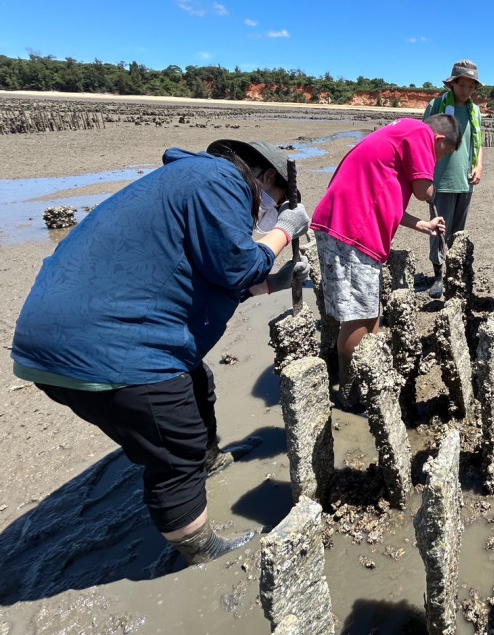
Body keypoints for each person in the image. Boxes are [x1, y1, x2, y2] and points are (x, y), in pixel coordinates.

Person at [10, 140, 312, 564]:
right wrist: (283, 232)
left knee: (196, 380)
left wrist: (272, 284)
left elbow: (197, 275)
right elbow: (235, 266)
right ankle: (197, 548)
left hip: (63, 332)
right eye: (275, 202)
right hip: (100, 344)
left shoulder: (190, 180)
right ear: (264, 178)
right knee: (176, 445)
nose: (268, 212)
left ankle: (210, 462)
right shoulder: (221, 181)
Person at [310, 115, 460, 381]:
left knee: (367, 312)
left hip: (343, 226)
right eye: (442, 154)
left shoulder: (400, 134)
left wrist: (422, 224)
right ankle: (352, 390)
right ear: (438, 139)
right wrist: (432, 177)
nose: (436, 161)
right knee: (359, 318)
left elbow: (384, 198)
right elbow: (424, 191)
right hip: (352, 232)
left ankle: (359, 375)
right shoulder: (420, 133)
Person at [423, 60, 484, 298]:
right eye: (462, 85)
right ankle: (438, 275)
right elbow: (423, 138)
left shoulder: (475, 111)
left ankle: (454, 272)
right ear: (453, 84)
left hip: (464, 180)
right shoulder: (437, 105)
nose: (466, 90)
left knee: (459, 231)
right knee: (439, 229)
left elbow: (477, 144)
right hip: (441, 178)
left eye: (471, 86)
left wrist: (479, 166)